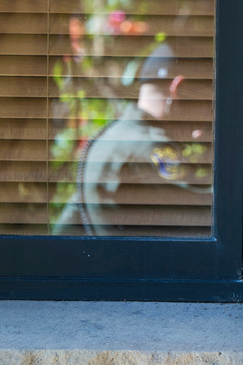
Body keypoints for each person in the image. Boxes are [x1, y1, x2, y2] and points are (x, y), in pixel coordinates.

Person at [53, 43, 212, 236]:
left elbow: (66, 227)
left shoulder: (110, 137)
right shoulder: (151, 147)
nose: (199, 131)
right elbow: (212, 214)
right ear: (181, 88)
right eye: (207, 105)